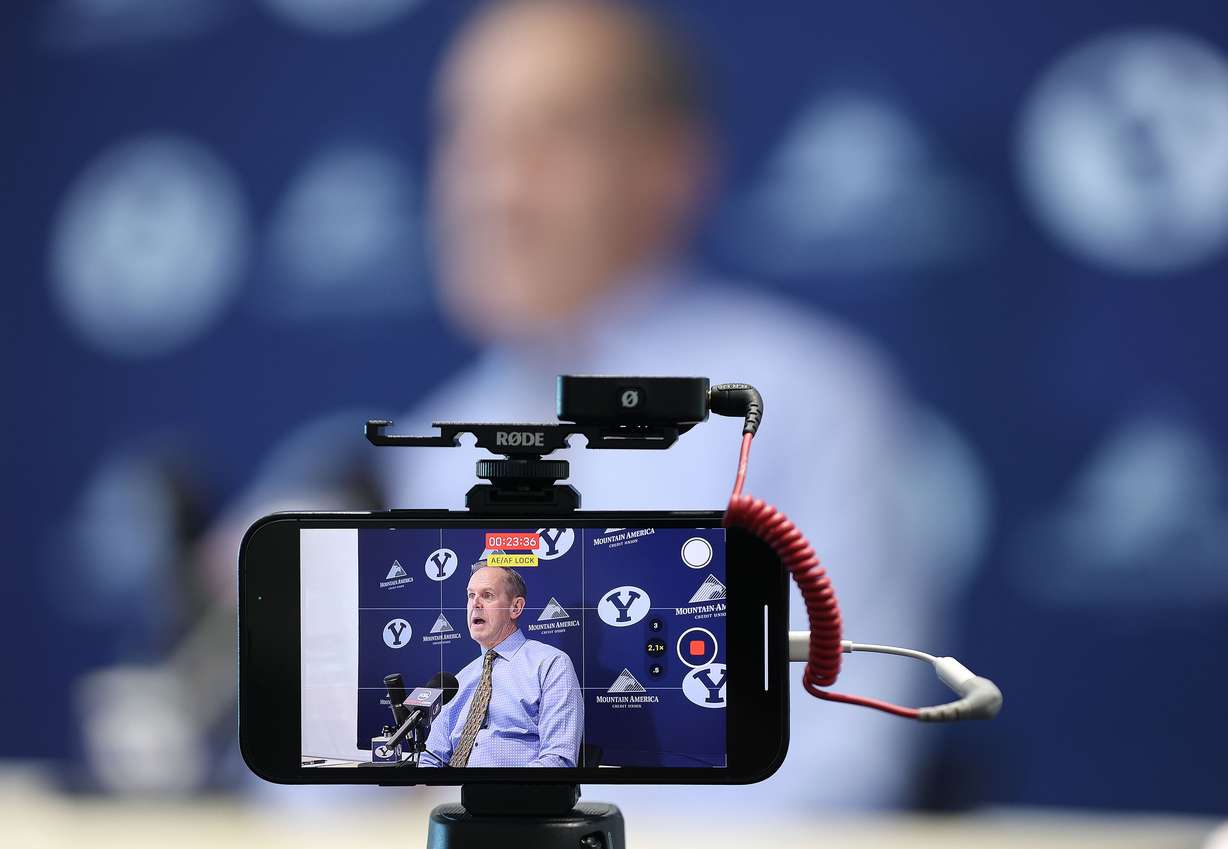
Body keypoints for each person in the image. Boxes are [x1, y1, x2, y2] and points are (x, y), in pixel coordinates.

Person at [419, 563, 583, 768]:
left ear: (516, 607)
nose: (475, 604)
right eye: (471, 596)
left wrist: (497, 790)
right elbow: (431, 758)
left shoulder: (551, 665)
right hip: (453, 795)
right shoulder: (458, 681)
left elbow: (558, 759)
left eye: (487, 595)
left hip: (521, 795)